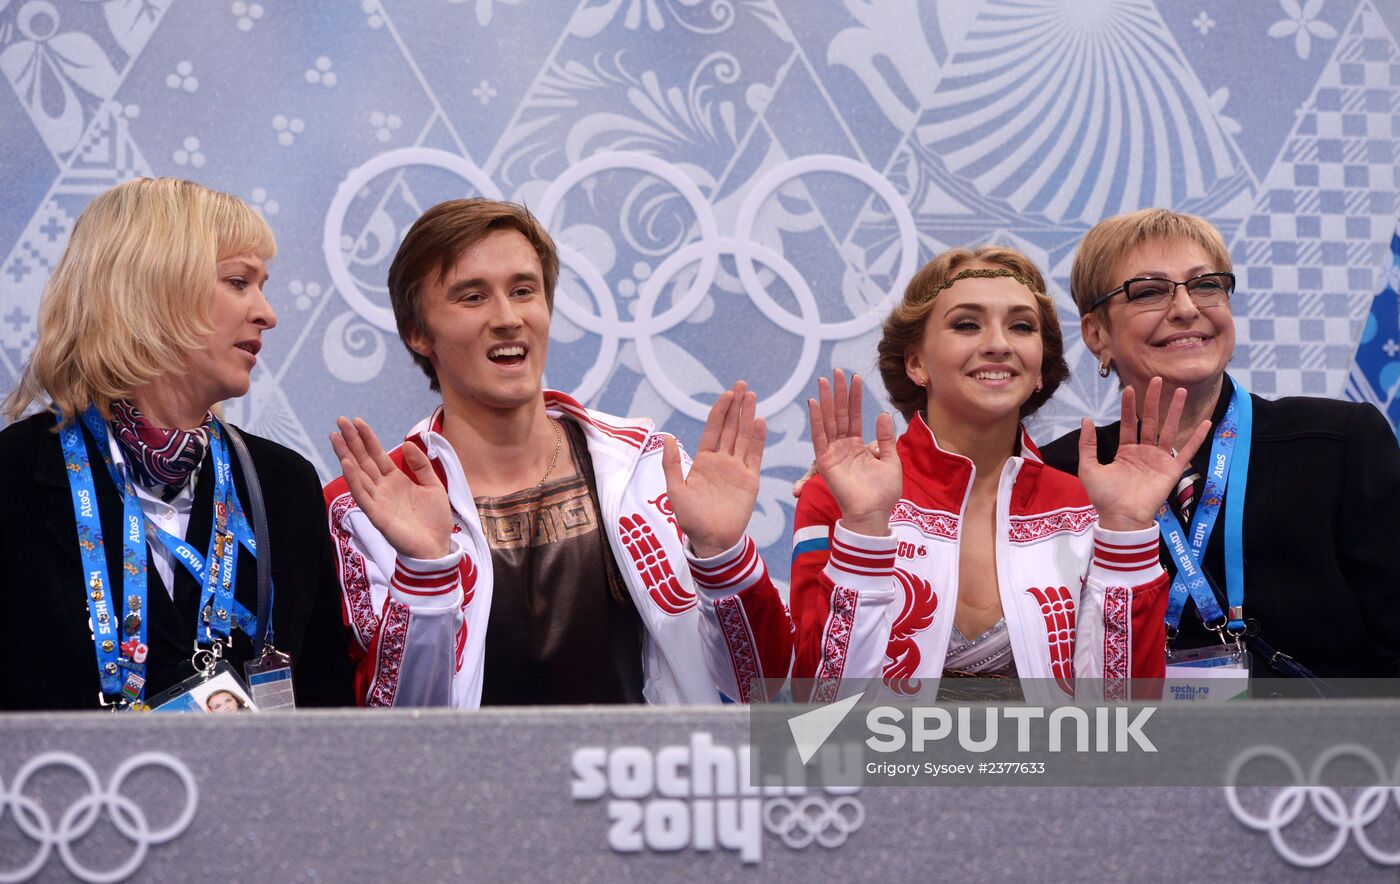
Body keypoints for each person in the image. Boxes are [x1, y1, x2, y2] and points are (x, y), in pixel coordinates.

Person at [323, 198, 792, 707]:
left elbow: (760, 687)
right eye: (472, 297)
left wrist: (723, 556)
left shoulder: (650, 470)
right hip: (467, 787)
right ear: (418, 333)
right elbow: (385, 737)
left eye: (524, 291)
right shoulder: (365, 508)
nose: (507, 318)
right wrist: (425, 576)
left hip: (638, 781)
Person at [791, 246, 1209, 702]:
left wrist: (1127, 531)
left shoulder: (1088, 507)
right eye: (966, 324)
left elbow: (1119, 719)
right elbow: (821, 716)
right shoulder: (840, 495)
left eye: (1022, 326)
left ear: (1039, 371)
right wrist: (866, 530)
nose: (998, 344)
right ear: (916, 363)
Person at [0, 177, 353, 711]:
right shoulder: (12, 479)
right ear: (150, 288)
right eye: (238, 281)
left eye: (262, 285)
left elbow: (328, 722)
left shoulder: (284, 485)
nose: (267, 314)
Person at [1039, 208, 1400, 678]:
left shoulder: (1338, 443)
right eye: (1149, 291)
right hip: (1135, 745)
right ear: (1096, 334)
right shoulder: (1057, 473)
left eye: (1206, 285)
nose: (1187, 308)